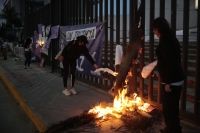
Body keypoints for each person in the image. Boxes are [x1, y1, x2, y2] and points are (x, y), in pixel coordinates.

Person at [152, 17, 185, 133]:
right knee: (173, 107)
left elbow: (170, 64)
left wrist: (167, 83)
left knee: (169, 108)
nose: (153, 32)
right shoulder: (172, 40)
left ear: (158, 29)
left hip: (171, 81)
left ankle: (172, 130)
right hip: (177, 79)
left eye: (154, 30)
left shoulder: (163, 44)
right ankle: (174, 129)